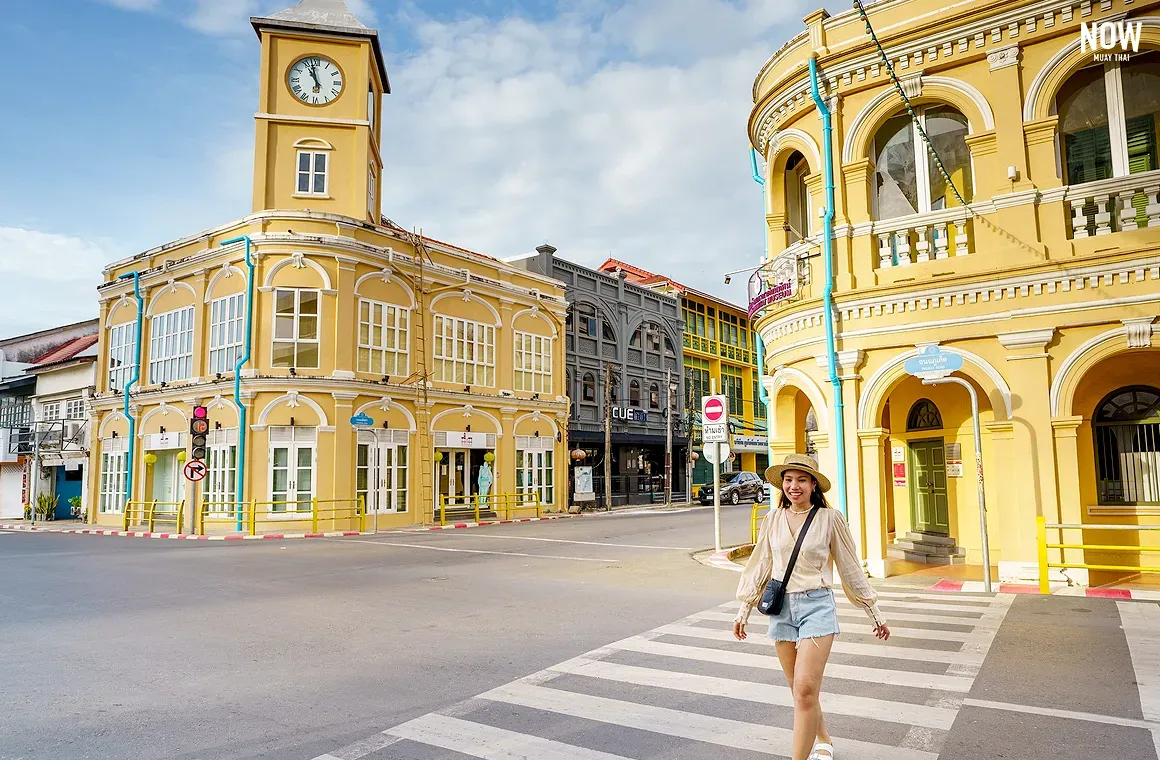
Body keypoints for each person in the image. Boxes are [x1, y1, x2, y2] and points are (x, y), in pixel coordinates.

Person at [732, 453, 891, 760]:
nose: (794, 486)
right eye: (789, 480)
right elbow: (760, 565)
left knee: (805, 689)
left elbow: (850, 567)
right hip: (781, 609)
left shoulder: (829, 519)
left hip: (817, 605)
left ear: (814, 484)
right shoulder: (773, 519)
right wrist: (744, 609)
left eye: (802, 480)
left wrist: (874, 611)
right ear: (782, 485)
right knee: (799, 690)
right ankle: (824, 739)